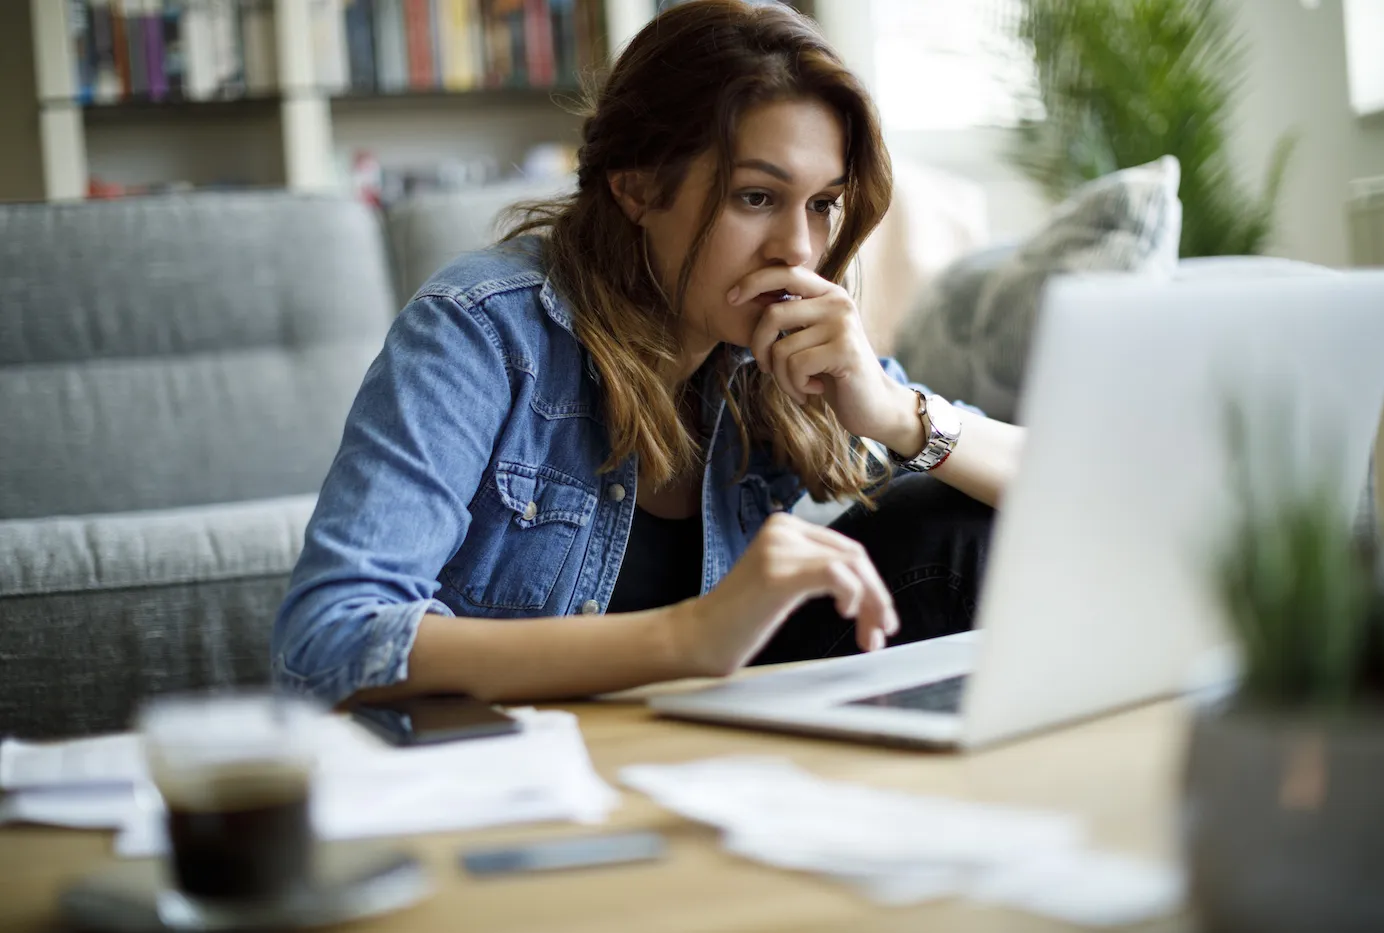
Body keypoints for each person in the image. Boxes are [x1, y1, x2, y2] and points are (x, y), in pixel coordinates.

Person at [271, 0, 1025, 708]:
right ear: (636, 185)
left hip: (705, 744)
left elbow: (1060, 490)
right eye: (756, 197)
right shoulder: (482, 330)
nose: (798, 247)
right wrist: (692, 637)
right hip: (529, 760)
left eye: (822, 204)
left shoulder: (772, 350)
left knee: (953, 521)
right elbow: (327, 640)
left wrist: (897, 414)